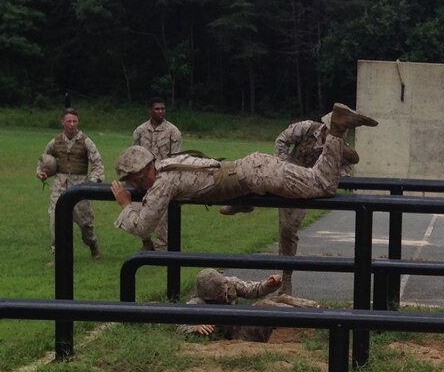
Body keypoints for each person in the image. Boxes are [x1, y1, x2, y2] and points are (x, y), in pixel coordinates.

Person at [110, 102, 377, 242]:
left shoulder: (163, 181)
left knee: (324, 185)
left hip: (258, 173)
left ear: (139, 174)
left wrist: (125, 205)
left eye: (133, 181)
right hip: (253, 170)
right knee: (315, 186)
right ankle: (337, 137)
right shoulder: (169, 162)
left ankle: (337, 130)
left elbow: (144, 227)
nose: (136, 186)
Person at [268, 111, 362, 295]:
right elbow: (282, 140)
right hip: (287, 178)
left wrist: (344, 175)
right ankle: (243, 202)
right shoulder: (306, 128)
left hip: (307, 189)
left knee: (289, 230)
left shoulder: (339, 146)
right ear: (326, 127)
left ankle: (286, 278)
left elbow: (345, 165)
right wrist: (284, 165)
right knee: (260, 177)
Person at [35, 108, 104, 265]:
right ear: (62, 122)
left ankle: (92, 244)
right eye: (69, 121)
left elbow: (98, 164)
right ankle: (57, 255)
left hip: (80, 186)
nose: (72, 124)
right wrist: (41, 173)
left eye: (74, 121)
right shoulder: (55, 142)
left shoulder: (86, 141)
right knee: (55, 220)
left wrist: (92, 182)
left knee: (86, 223)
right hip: (59, 185)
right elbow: (44, 159)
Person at [176, 268, 320, 342]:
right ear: (208, 295)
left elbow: (252, 289)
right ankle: (310, 321)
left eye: (223, 288)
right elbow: (177, 323)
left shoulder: (229, 282)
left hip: (243, 320)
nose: (224, 292)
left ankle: (315, 309)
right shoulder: (197, 303)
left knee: (278, 299)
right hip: (238, 335)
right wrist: (195, 328)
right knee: (265, 305)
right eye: (219, 292)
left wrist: (268, 284)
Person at [131, 96, 183, 251]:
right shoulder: (140, 131)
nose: (161, 111)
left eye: (163, 109)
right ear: (150, 110)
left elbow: (176, 160)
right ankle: (146, 242)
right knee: (137, 212)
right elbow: (134, 156)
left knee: (162, 219)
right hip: (143, 180)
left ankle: (162, 251)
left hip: (163, 180)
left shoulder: (173, 132)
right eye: (157, 109)